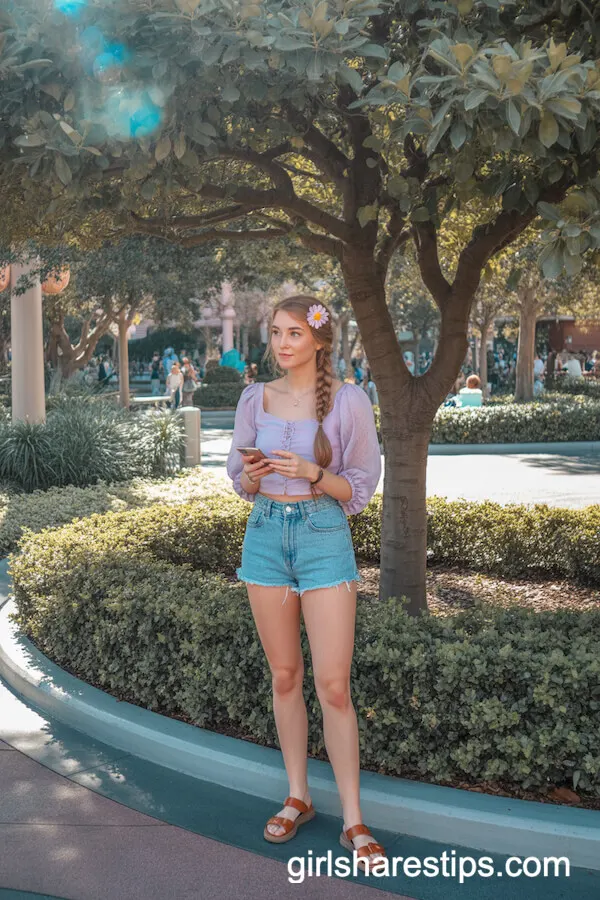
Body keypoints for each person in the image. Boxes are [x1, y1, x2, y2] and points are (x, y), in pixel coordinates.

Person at [226, 295, 385, 871]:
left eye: (295, 333)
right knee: (285, 675)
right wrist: (252, 473)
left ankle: (353, 819)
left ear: (319, 339)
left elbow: (361, 491)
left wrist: (315, 473)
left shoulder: (348, 401)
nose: (283, 343)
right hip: (265, 532)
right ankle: (298, 796)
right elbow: (237, 477)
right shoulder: (254, 397)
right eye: (276, 333)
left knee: (333, 685)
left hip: (322, 536)